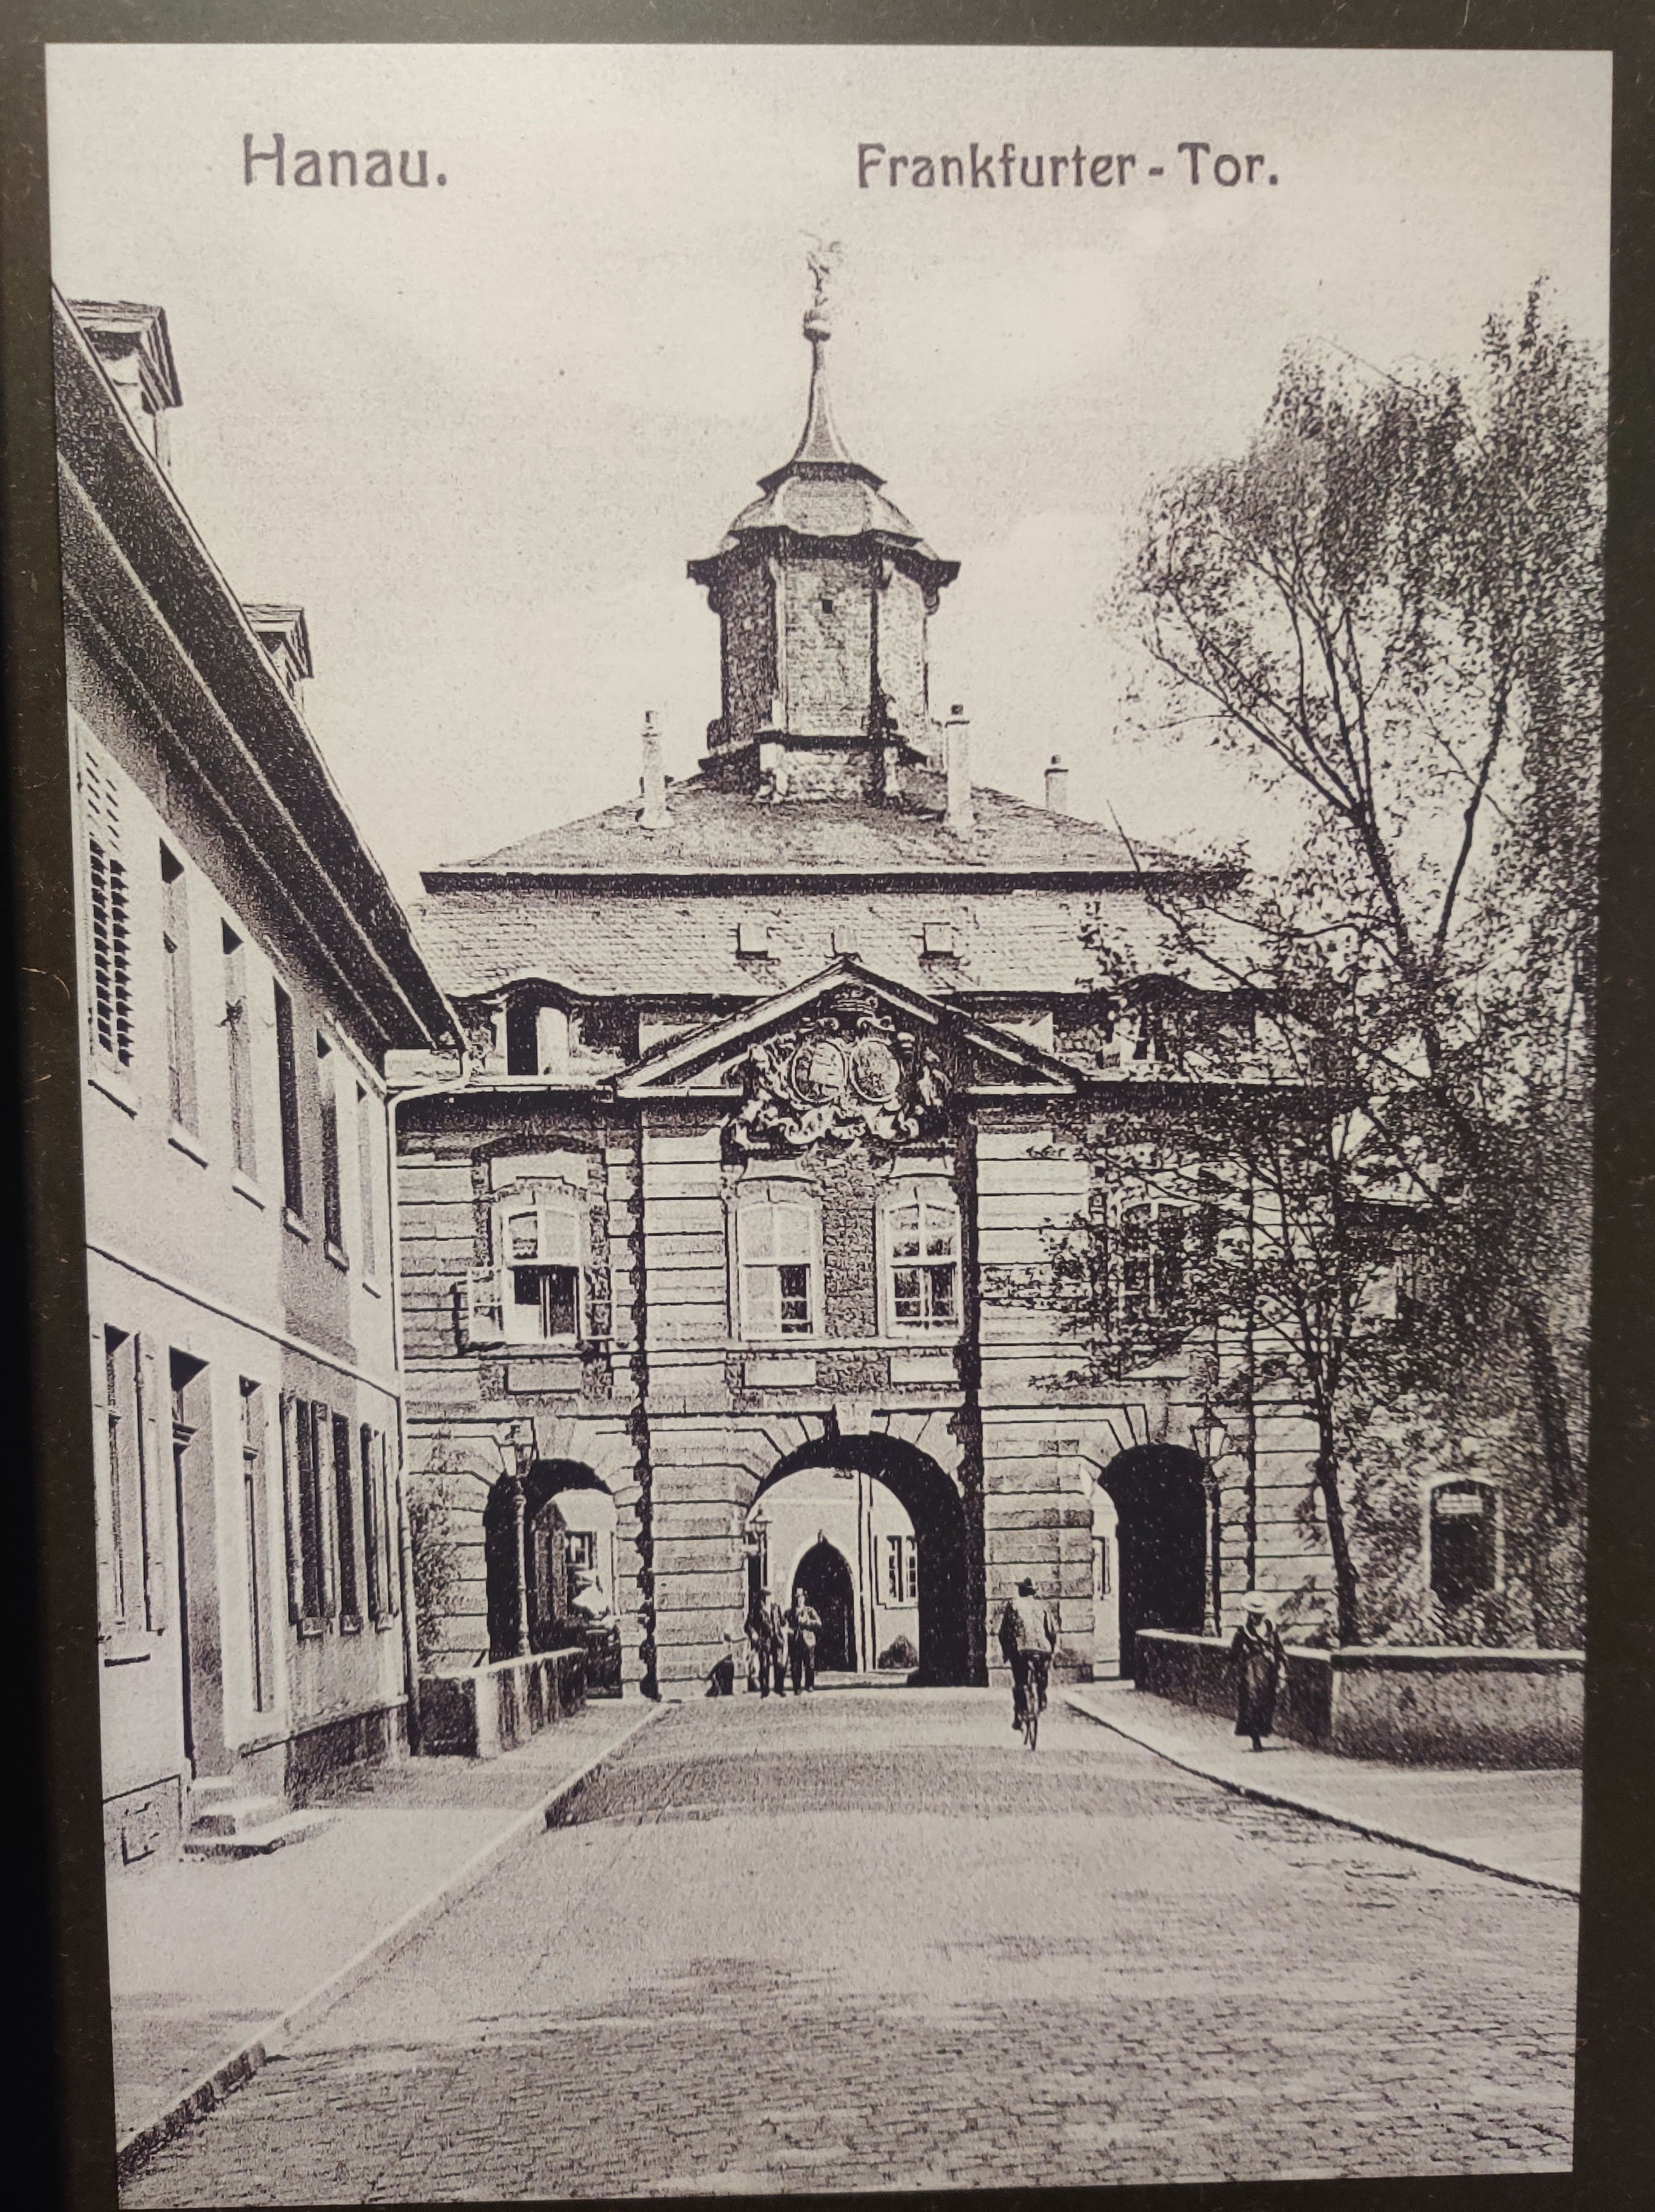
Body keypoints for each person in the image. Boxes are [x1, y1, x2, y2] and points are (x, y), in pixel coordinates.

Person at [996, 1576, 1059, 1731]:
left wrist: (1007, 1652)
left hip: (1022, 1649)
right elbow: (1052, 1631)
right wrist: (1052, 1649)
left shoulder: (1013, 1605)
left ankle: (1020, 1714)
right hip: (1043, 1648)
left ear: (1021, 1591)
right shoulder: (1043, 1606)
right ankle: (1042, 1695)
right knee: (1041, 1672)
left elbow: (1004, 1633)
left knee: (1020, 1682)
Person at [1230, 1594, 1287, 1750]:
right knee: (1251, 1703)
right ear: (1250, 1615)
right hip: (1250, 1671)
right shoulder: (1243, 1632)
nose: (1257, 1618)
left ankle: (1261, 1732)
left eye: (1259, 1615)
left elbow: (1279, 1650)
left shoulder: (1270, 1631)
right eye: (1254, 1615)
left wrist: (1281, 1669)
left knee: (1266, 1702)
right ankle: (1255, 1738)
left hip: (1268, 1671)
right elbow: (1233, 1654)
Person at [749, 1584, 789, 1697]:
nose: (767, 1598)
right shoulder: (757, 1610)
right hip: (764, 1639)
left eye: (769, 1595)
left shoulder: (776, 1608)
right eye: (765, 1596)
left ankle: (779, 1688)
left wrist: (784, 1628)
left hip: (776, 1638)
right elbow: (749, 1625)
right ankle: (765, 1690)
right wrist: (754, 1633)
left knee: (780, 1664)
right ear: (762, 1597)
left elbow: (783, 1621)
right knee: (764, 1665)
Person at [788, 1589, 821, 1694]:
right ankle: (797, 1687)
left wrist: (807, 1622)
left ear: (804, 1598)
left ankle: (809, 1685)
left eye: (801, 1597)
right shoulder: (790, 1612)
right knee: (796, 1665)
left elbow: (819, 1623)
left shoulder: (810, 1611)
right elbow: (784, 1624)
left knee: (810, 1664)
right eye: (797, 1598)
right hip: (796, 1641)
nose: (799, 1600)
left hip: (808, 1641)